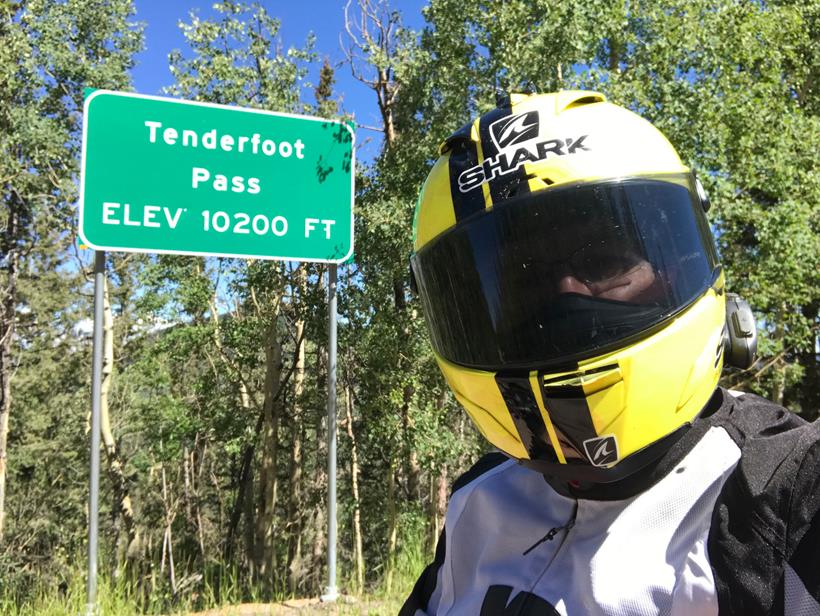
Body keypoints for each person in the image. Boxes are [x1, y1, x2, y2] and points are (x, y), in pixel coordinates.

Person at [401, 91, 820, 615]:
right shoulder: (477, 503)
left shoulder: (782, 490)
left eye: (603, 262)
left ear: (676, 263)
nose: (563, 306)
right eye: (520, 289)